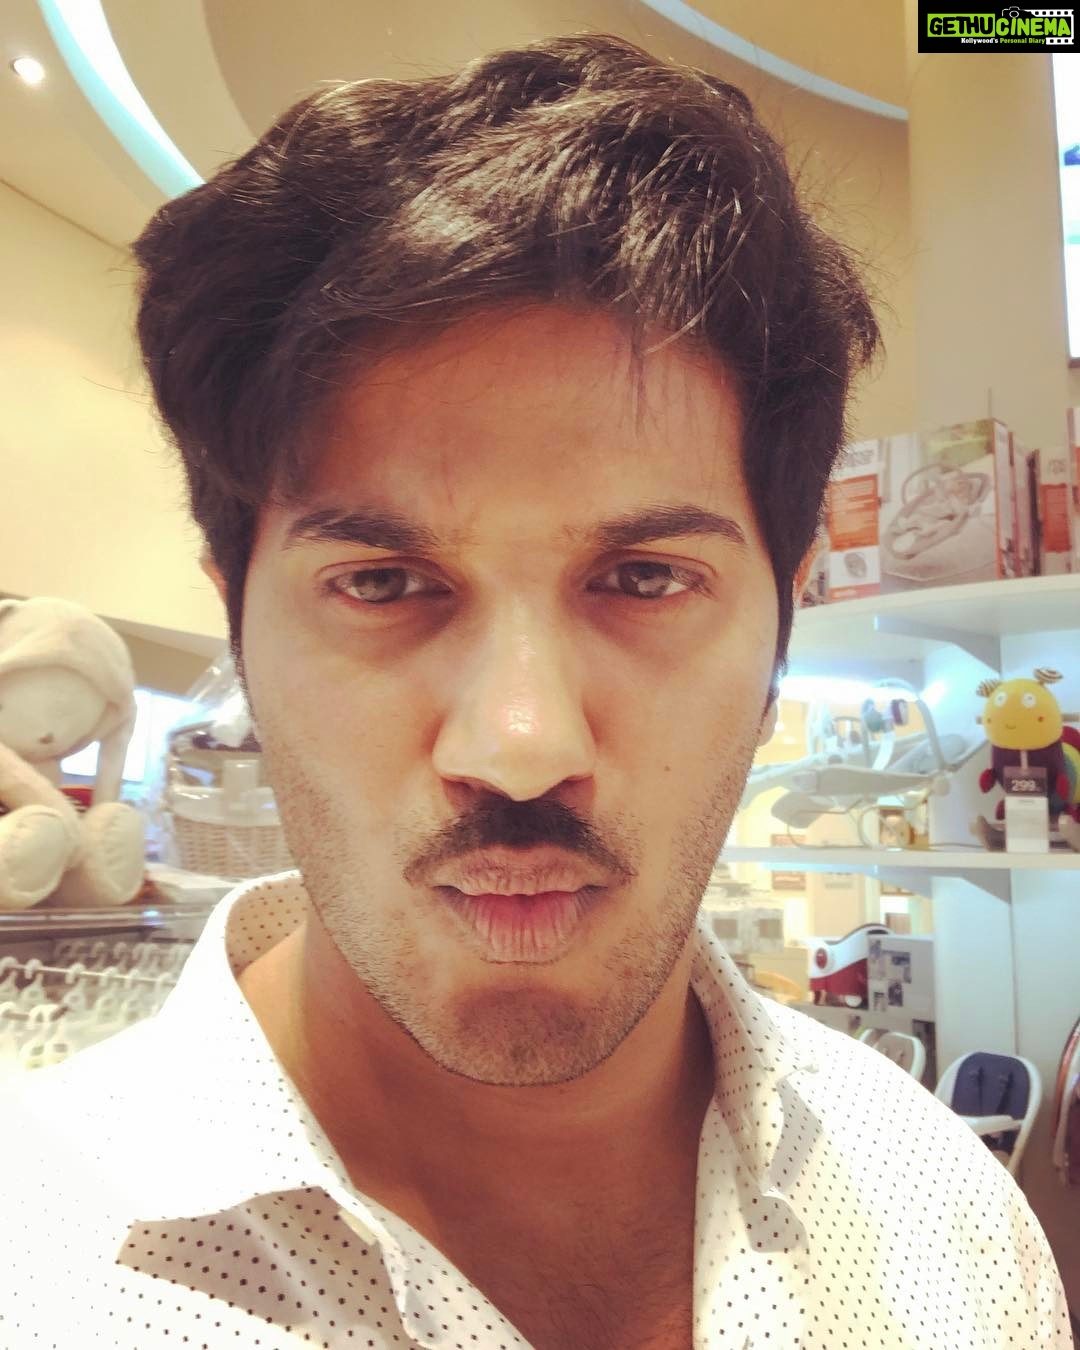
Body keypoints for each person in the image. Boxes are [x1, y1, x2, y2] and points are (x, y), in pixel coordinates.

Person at [0, 32, 1071, 1350]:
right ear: (238, 621)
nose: (520, 746)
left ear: (784, 622)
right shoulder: (34, 1267)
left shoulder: (953, 1224)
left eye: (645, 577)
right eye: (383, 582)